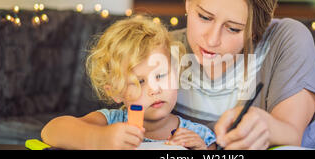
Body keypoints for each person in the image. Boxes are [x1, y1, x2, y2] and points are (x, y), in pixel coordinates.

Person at [170, 0, 315, 149]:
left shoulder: (286, 39)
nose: (212, 40)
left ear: (255, 30)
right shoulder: (161, 48)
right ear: (188, 3)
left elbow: (291, 134)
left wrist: (269, 127)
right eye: (204, 17)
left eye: (233, 28)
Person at [40, 17, 216, 150]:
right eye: (139, 81)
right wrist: (100, 138)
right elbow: (50, 130)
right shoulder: (110, 123)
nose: (155, 89)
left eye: (161, 75)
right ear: (116, 92)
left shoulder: (197, 135)